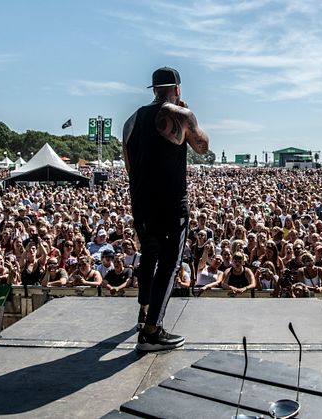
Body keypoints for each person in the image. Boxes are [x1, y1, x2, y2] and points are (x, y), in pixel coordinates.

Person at [123, 66, 209, 351]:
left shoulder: (131, 120)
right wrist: (190, 114)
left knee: (149, 256)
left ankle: (143, 312)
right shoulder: (181, 115)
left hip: (141, 201)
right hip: (171, 204)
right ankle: (151, 331)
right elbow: (203, 147)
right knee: (170, 264)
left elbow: (129, 166)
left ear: (154, 89)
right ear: (178, 89)